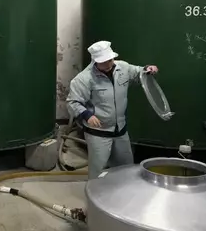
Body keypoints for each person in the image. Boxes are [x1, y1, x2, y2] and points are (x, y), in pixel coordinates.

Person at [66, 41, 158, 179]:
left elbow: (138, 72)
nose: (109, 64)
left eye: (110, 60)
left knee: (125, 166)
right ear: (95, 61)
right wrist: (86, 115)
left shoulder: (123, 67)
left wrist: (147, 69)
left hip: (120, 130)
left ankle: (122, 194)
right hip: (98, 132)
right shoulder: (84, 79)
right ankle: (97, 194)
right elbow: (72, 102)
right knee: (98, 169)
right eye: (104, 62)